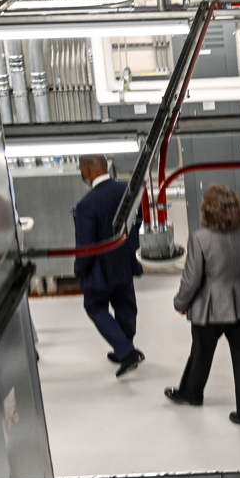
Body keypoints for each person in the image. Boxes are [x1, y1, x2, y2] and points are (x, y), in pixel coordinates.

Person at [164, 185, 240, 431]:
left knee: (200, 352)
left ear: (206, 209)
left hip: (209, 309)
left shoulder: (200, 238)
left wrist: (180, 303)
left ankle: (191, 394)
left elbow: (192, 279)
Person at [72, 153, 144, 377]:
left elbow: (86, 245)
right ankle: (126, 345)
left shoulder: (86, 205)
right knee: (125, 304)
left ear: (88, 171)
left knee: (95, 307)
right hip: (125, 260)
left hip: (99, 268)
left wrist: (79, 269)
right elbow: (138, 220)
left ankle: (126, 351)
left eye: (81, 170)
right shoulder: (128, 191)